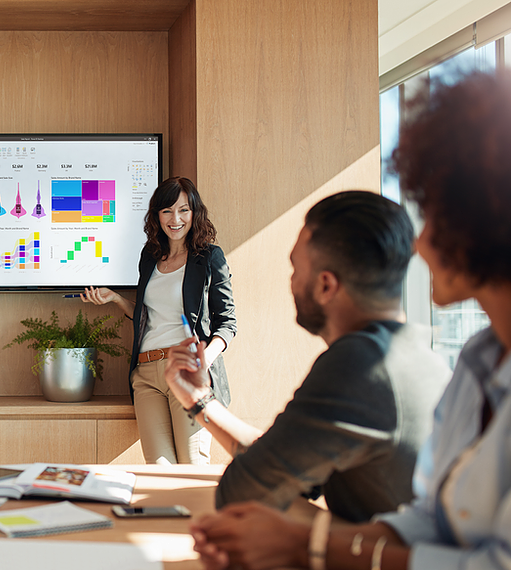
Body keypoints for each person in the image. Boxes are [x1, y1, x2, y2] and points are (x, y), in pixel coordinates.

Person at [188, 70, 511, 570]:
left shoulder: (363, 362)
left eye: (439, 216)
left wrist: (307, 544)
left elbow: (247, 484)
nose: (421, 246)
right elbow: (433, 522)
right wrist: (202, 402)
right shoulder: (473, 358)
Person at [165, 190, 450, 521]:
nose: (291, 282)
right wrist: (200, 400)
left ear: (326, 285)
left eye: (295, 269)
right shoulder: (413, 355)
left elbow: (242, 489)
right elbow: (274, 463)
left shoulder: (359, 365)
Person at [82, 176, 236, 465]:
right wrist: (115, 298)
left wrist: (203, 360)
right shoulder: (150, 256)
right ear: (157, 215)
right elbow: (146, 315)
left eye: (183, 210)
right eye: (167, 211)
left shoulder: (209, 257)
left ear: (194, 213)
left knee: (192, 467)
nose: (175, 219)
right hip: (146, 375)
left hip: (186, 371)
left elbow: (227, 324)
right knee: (160, 469)